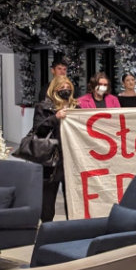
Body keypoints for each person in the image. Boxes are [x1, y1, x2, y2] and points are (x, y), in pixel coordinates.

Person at [33, 75, 78, 222]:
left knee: (73, 196)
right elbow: (38, 130)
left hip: (72, 157)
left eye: (68, 87)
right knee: (48, 195)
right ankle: (47, 226)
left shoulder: (77, 107)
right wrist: (54, 118)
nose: (65, 90)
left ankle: (72, 226)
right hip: (51, 158)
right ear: (54, 89)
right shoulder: (43, 107)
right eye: (61, 87)